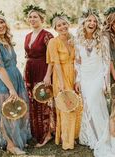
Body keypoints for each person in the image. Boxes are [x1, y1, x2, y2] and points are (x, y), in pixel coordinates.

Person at [0, 9, 31, 155]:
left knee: (16, 109)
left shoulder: (5, 39)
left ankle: (18, 140)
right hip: (3, 81)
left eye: (1, 22)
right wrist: (11, 89)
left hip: (14, 77)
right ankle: (10, 145)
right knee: (5, 111)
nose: (0, 25)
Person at [74, 8, 110, 156]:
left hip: (97, 76)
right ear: (83, 23)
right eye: (89, 20)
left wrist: (105, 81)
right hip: (84, 78)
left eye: (95, 21)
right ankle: (89, 136)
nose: (92, 23)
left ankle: (101, 136)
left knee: (95, 103)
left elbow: (107, 61)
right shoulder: (78, 40)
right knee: (88, 106)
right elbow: (77, 62)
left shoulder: (102, 39)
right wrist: (78, 80)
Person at [46, 12, 82, 150]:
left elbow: (78, 60)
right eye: (59, 25)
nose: (62, 27)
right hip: (60, 75)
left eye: (64, 24)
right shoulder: (53, 42)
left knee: (77, 104)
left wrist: (78, 78)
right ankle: (66, 140)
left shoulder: (73, 39)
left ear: (68, 24)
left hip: (74, 74)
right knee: (67, 106)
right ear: (55, 28)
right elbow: (56, 63)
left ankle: (74, 135)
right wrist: (61, 82)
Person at [23, 5, 54, 147]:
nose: (32, 19)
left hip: (43, 69)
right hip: (30, 70)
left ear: (41, 19)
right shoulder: (28, 36)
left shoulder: (47, 35)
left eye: (35, 16)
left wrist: (48, 75)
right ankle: (37, 132)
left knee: (44, 100)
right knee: (34, 101)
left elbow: (52, 58)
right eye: (30, 17)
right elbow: (27, 55)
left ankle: (48, 133)